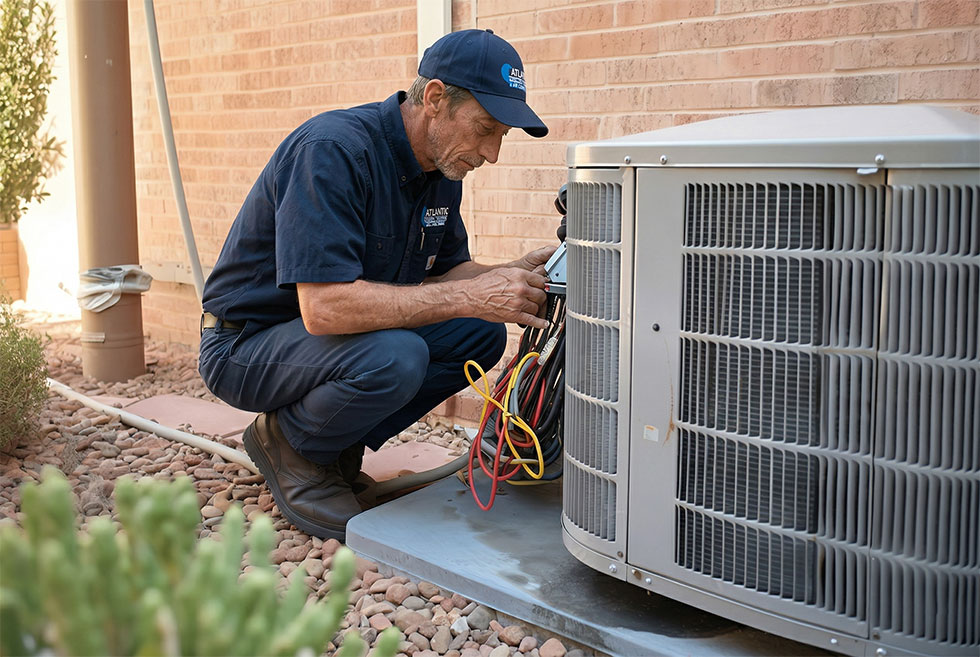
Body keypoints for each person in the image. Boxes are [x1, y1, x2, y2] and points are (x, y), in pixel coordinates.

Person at [198, 29, 554, 541]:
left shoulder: (440, 172)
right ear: (434, 98)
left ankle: (332, 444)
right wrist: (470, 295)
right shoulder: (333, 151)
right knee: (397, 355)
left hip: (326, 347)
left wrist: (513, 273)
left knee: (479, 334)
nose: (492, 153)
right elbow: (324, 310)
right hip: (246, 345)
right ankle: (291, 444)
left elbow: (446, 277)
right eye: (485, 128)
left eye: (501, 136)